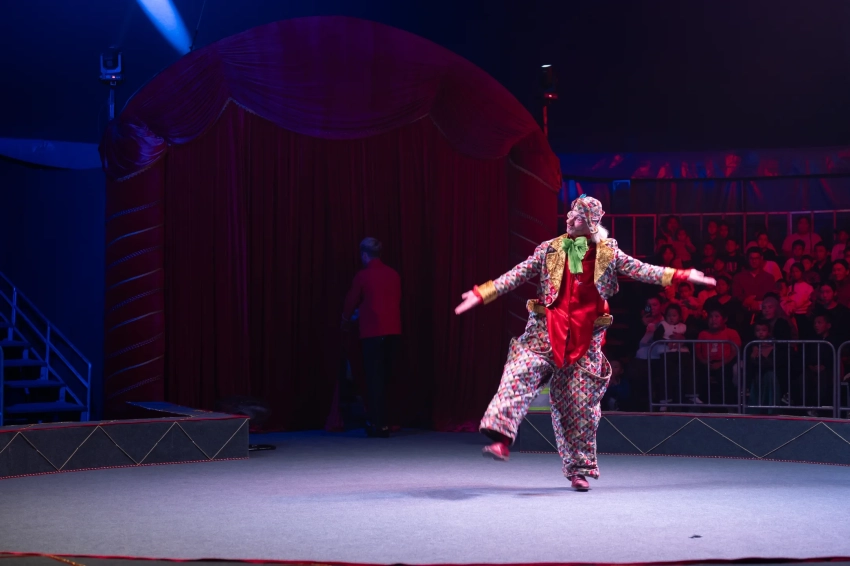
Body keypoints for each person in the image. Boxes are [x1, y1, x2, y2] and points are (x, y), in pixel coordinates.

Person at [454, 196, 714, 491]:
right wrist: (482, 293)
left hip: (585, 340)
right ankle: (501, 439)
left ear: (591, 224)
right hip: (544, 332)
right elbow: (517, 274)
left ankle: (578, 470)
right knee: (518, 373)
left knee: (579, 407)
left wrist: (682, 274)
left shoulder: (608, 253)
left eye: (577, 217)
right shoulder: (549, 249)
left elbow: (643, 270)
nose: (569, 219)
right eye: (570, 214)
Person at [342, 237, 401, 438]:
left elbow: (351, 301)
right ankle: (389, 421)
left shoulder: (363, 275)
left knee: (374, 379)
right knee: (388, 378)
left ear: (365, 255)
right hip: (393, 331)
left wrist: (346, 319)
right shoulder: (393, 274)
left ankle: (378, 424)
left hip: (373, 333)